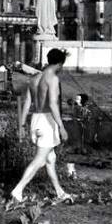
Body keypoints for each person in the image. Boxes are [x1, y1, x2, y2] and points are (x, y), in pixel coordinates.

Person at [8, 47, 73, 208]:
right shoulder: (53, 78)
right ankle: (17, 190)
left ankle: (60, 192)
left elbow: (27, 103)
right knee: (40, 159)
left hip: (34, 120)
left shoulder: (34, 78)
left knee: (50, 158)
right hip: (46, 120)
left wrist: (22, 125)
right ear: (59, 63)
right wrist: (62, 127)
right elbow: (52, 104)